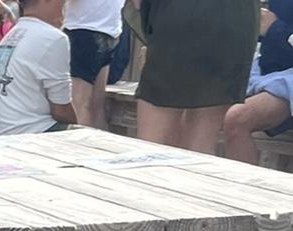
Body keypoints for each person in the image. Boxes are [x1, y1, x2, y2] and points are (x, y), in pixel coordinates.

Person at [129, 0, 260, 154]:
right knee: (200, 145)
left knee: (152, 146)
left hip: (179, 20)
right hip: (236, 22)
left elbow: (138, 4)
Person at [0, 0, 76, 136]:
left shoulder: (11, 35)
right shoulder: (54, 38)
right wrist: (80, 129)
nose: (65, 4)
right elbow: (61, 111)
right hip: (24, 134)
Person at [223, 1, 293, 165]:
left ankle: (246, 182)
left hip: (285, 77)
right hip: (266, 66)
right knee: (202, 108)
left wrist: (274, 29)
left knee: (237, 119)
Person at [62, 0, 120, 128]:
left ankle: (79, 140)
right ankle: (98, 140)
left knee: (79, 104)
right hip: (110, 30)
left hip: (83, 28)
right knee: (97, 105)